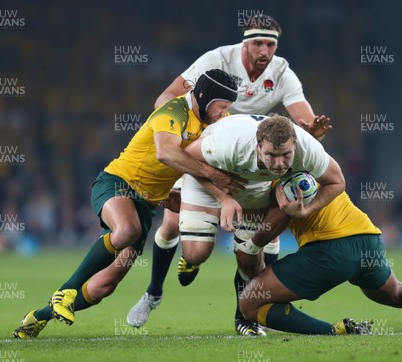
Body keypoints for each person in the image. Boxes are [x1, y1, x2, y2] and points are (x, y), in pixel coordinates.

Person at [127, 14, 332, 336]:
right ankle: (154, 292)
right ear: (245, 42)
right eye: (258, 43)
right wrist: (182, 132)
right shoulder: (216, 60)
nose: (265, 50)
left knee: (260, 243)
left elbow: (303, 123)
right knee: (170, 222)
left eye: (271, 44)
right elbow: (166, 97)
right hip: (211, 151)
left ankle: (245, 318)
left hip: (256, 161)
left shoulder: (281, 72)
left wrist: (313, 132)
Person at [12, 69, 239, 339]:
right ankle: (67, 290)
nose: (224, 113)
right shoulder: (174, 111)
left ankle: (38, 316)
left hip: (146, 204)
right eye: (222, 106)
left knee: (102, 287)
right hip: (118, 183)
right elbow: (165, 153)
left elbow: (196, 163)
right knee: (127, 229)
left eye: (228, 108)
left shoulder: (215, 121)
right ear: (204, 97)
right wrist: (215, 179)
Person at [236, 184, 402, 335]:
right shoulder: (313, 158)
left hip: (329, 249)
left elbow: (280, 215)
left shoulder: (274, 172)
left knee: (250, 301)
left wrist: (252, 243)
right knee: (395, 293)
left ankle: (332, 331)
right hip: (367, 237)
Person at [174, 114, 345, 336]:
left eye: (286, 155)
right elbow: (186, 159)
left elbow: (337, 182)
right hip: (208, 174)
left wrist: (306, 210)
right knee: (197, 253)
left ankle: (245, 319)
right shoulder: (228, 143)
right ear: (257, 146)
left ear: (294, 144)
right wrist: (223, 197)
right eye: (271, 155)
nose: (279, 163)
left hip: (253, 185)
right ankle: (191, 260)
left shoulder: (307, 148)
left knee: (249, 256)